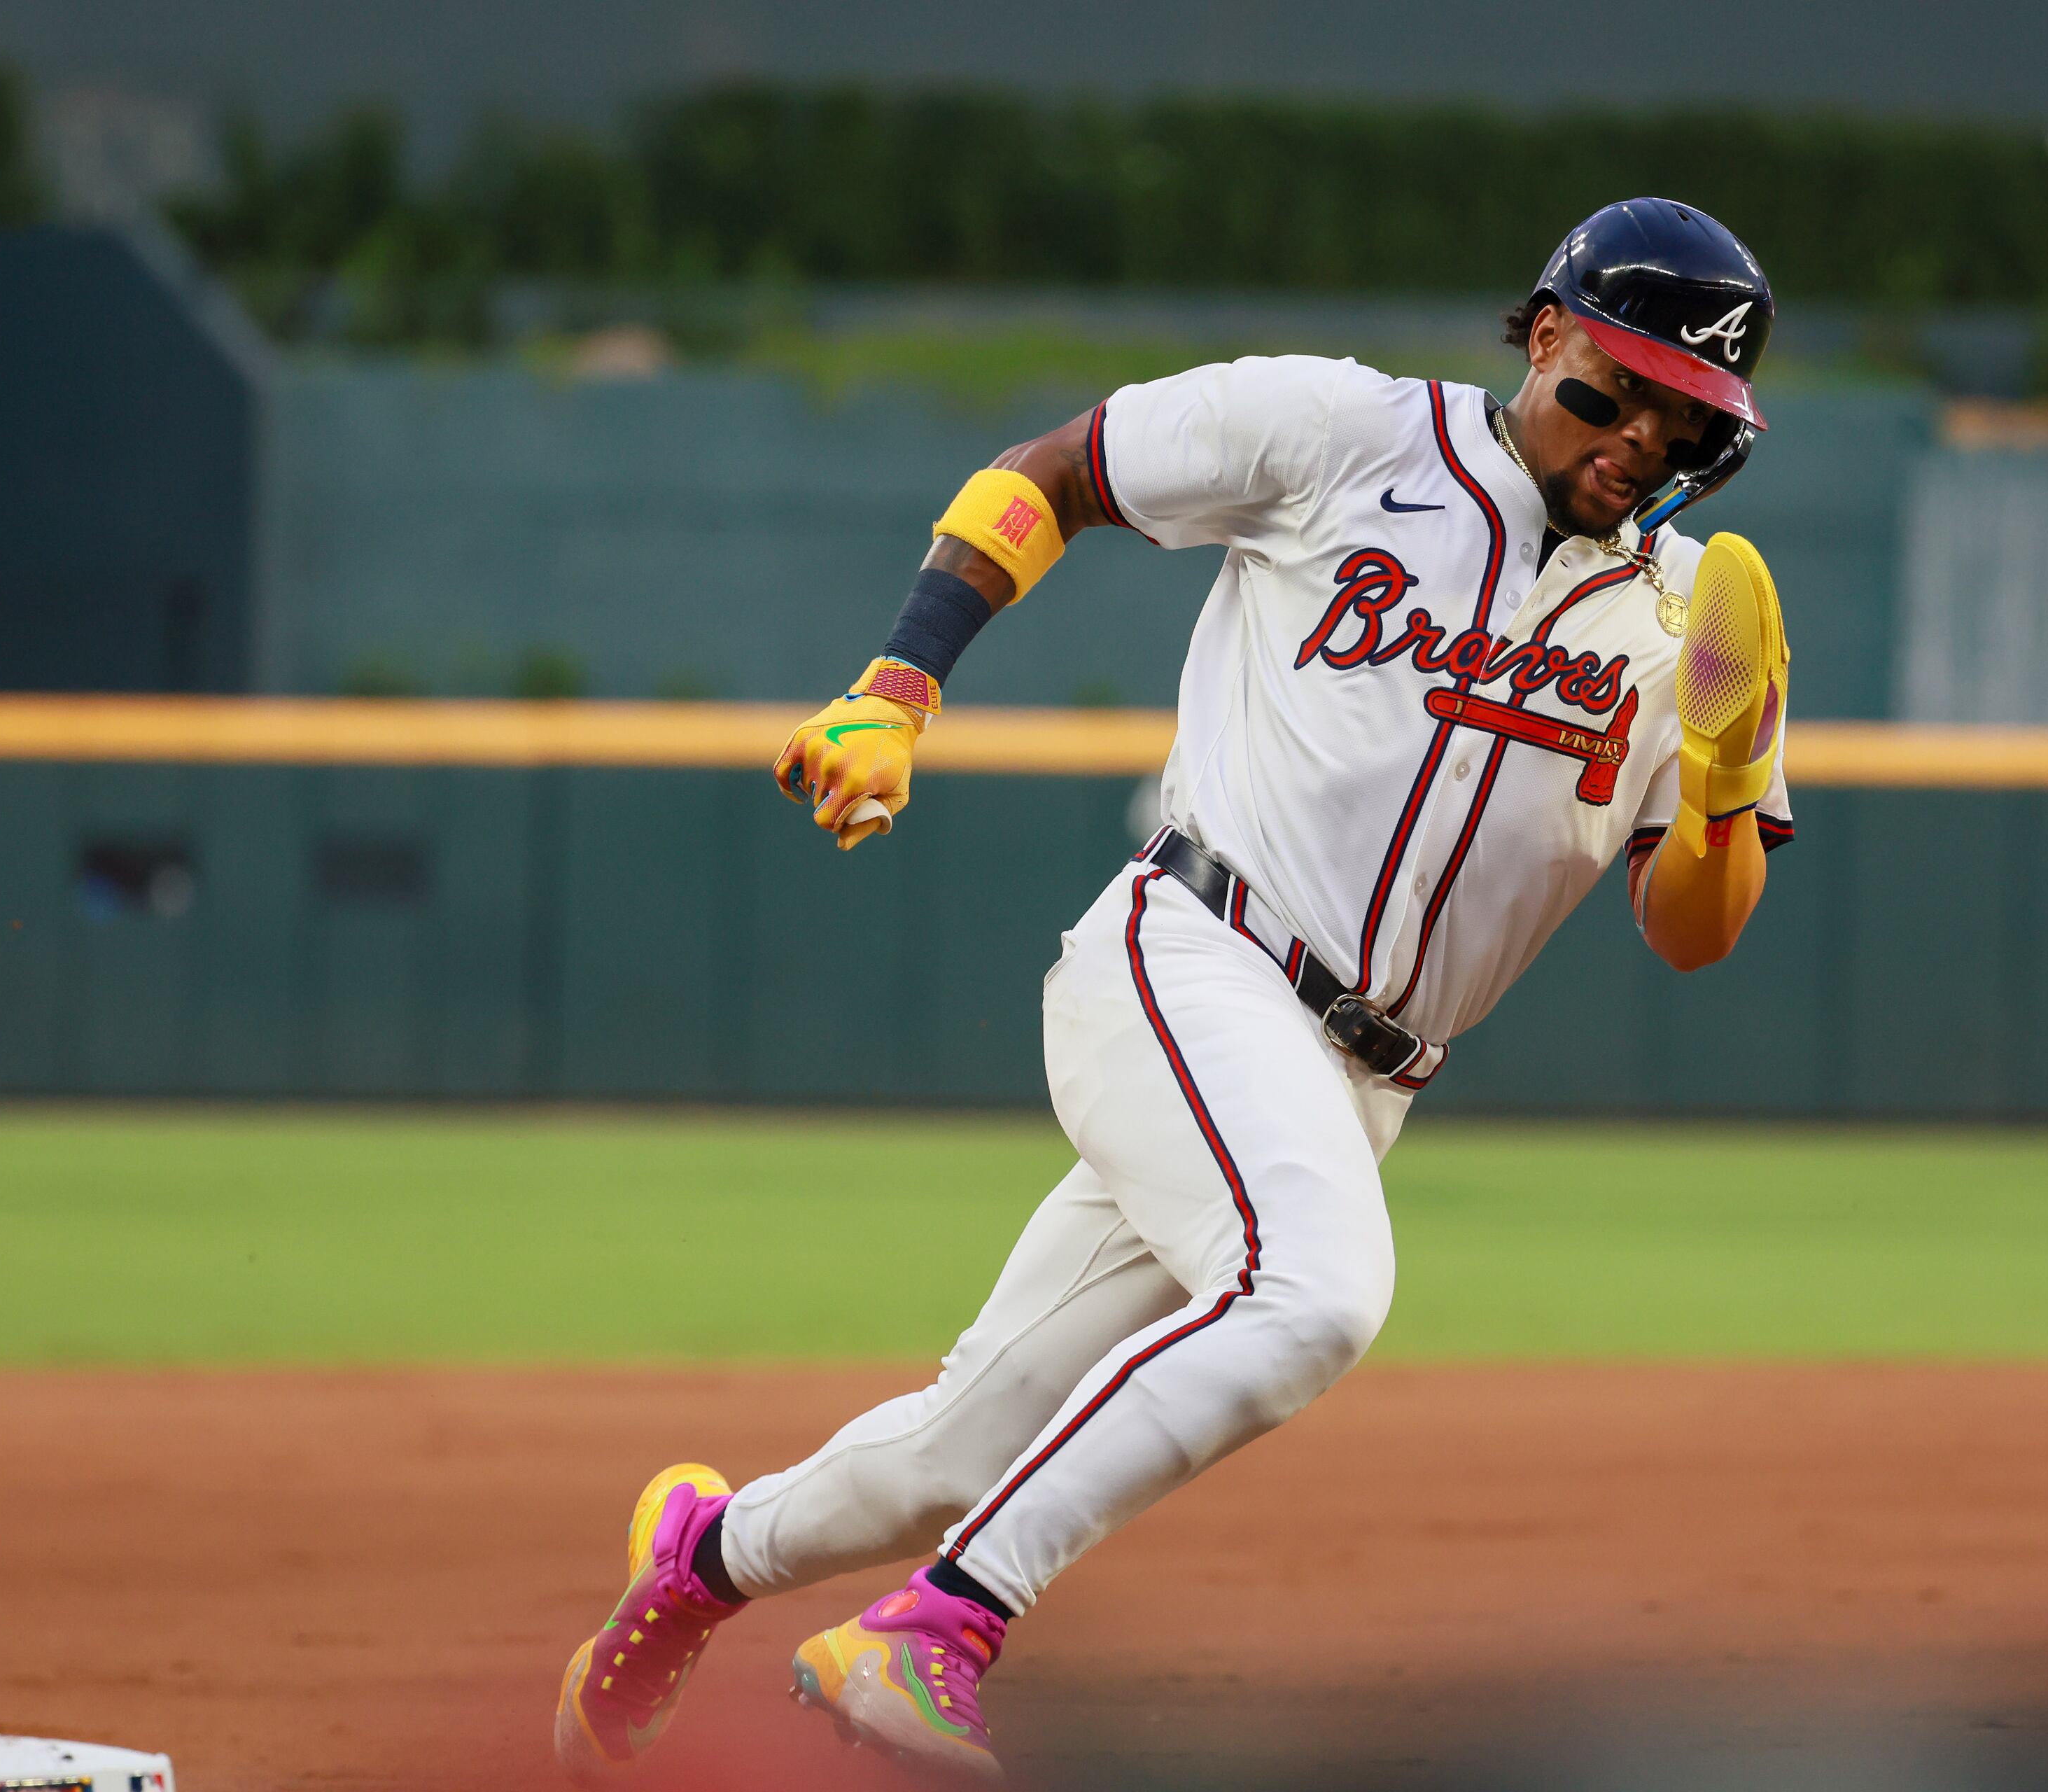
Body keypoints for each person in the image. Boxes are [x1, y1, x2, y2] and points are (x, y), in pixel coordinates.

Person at [554, 197, 1795, 1783]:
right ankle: (937, 1628)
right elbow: (1052, 472)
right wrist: (896, 687)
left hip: (1360, 1084)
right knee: (1320, 1290)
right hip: (1194, 956)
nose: (1639, 439)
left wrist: (1719, 773)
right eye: (1610, 391)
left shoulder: (1698, 622)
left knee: (952, 1451)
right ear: (1543, 334)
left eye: (1686, 423)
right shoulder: (1345, 433)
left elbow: (1694, 929)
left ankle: (696, 1557)